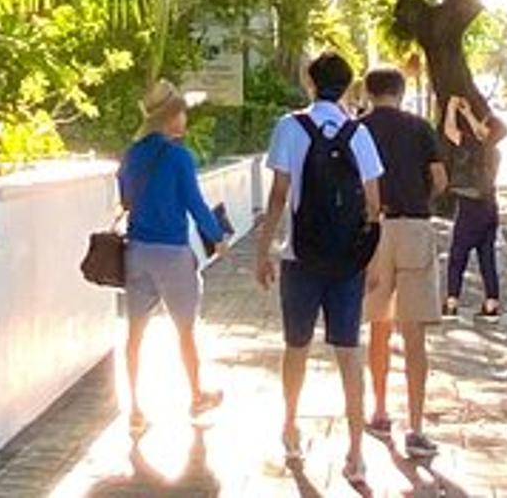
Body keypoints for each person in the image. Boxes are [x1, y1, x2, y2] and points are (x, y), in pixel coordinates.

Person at [254, 52, 384, 483]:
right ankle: (356, 453)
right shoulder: (358, 133)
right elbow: (374, 203)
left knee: (296, 348)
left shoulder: (290, 127)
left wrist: (263, 249)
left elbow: (278, 195)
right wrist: (369, 257)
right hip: (347, 262)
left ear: (310, 83)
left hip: (300, 258)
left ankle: (290, 428)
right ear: (348, 87)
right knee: (349, 353)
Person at [119, 80, 228, 433]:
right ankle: (196, 396)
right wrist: (217, 236)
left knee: (135, 333)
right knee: (185, 331)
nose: (184, 118)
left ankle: (134, 408)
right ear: (170, 117)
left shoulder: (132, 155)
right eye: (180, 112)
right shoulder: (180, 156)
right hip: (172, 253)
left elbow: (125, 199)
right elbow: (194, 203)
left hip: (136, 251)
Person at [358, 66, 448, 462]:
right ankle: (416, 426)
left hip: (375, 229)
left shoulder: (357, 130)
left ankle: (378, 410)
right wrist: (421, 195)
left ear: (367, 91)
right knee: (414, 333)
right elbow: (440, 178)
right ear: (401, 90)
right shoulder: (420, 128)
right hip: (414, 226)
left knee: (379, 324)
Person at [441, 93, 506, 318]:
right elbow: (482, 132)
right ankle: (491, 302)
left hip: (471, 206)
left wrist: (451, 109)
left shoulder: (472, 146)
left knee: (458, 254)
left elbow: (450, 131)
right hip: (490, 207)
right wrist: (468, 113)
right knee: (487, 255)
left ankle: (451, 300)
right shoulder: (495, 152)